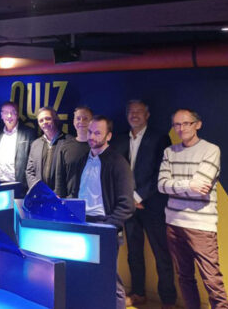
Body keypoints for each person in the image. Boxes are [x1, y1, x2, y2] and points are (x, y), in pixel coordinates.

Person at [158, 109, 228, 309]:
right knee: (184, 277)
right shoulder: (169, 152)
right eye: (177, 125)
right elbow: (162, 185)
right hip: (173, 223)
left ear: (198, 124)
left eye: (186, 123)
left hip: (201, 225)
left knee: (212, 279)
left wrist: (177, 185)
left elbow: (203, 187)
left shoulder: (211, 150)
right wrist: (189, 185)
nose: (181, 128)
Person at [112, 100, 175, 308]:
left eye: (139, 112)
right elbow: (116, 172)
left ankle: (168, 299)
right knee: (134, 253)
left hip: (152, 206)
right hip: (129, 208)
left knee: (161, 254)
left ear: (147, 115)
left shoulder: (160, 138)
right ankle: (138, 293)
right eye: (131, 112)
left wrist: (138, 197)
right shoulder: (120, 139)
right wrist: (127, 198)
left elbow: (161, 172)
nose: (134, 115)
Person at [71, 115, 135, 309]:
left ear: (109, 136)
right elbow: (75, 192)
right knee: (84, 277)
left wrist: (108, 227)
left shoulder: (118, 162)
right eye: (90, 132)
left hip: (104, 226)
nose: (92, 136)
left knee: (108, 279)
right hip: (82, 224)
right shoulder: (82, 160)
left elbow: (127, 205)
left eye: (98, 132)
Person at [0, 102, 35, 198]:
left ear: (17, 115)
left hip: (18, 186)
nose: (9, 116)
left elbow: (33, 162)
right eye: (6, 112)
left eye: (12, 112)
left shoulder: (28, 133)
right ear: (1, 115)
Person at [25, 107, 73, 191]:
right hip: (41, 196)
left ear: (55, 119)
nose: (44, 122)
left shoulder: (69, 142)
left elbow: (72, 174)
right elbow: (29, 172)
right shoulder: (35, 144)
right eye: (41, 120)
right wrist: (39, 190)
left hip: (61, 196)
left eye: (48, 118)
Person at [55, 106, 93, 198]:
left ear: (92, 122)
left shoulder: (98, 146)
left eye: (85, 118)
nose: (81, 122)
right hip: (71, 201)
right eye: (78, 118)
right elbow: (60, 177)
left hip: (95, 203)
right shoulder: (65, 147)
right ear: (73, 121)